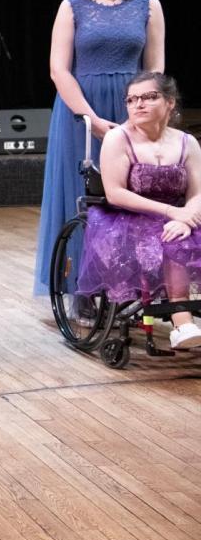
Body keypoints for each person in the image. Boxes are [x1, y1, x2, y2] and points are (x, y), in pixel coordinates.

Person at [33, 0, 165, 296]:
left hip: (132, 107)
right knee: (84, 197)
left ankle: (130, 288)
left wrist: (142, 112)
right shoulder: (72, 6)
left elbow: (155, 68)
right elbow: (59, 70)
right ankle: (85, 289)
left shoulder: (148, 5)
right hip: (81, 111)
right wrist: (90, 119)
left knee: (130, 196)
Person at [77, 73, 201, 348]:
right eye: (131, 100)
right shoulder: (118, 139)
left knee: (180, 234)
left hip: (178, 216)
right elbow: (115, 193)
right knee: (173, 242)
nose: (138, 104)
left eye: (149, 97)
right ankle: (182, 321)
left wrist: (187, 220)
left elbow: (197, 193)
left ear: (170, 102)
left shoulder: (186, 142)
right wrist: (172, 213)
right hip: (129, 216)